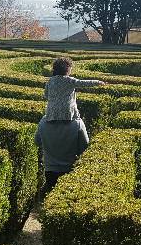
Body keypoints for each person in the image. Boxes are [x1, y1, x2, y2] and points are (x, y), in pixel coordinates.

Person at [36, 57, 106, 190]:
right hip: (67, 114)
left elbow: (46, 95)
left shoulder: (50, 82)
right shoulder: (70, 81)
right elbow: (84, 83)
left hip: (52, 113)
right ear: (67, 70)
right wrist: (98, 82)